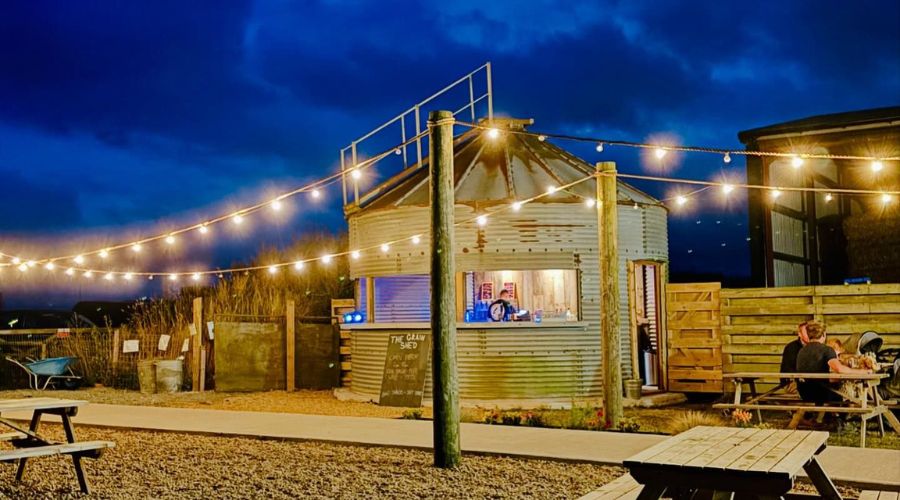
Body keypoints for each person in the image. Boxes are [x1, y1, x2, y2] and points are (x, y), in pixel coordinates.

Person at [796, 321, 871, 404]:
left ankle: (837, 415)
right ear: (824, 334)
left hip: (804, 394)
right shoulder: (826, 350)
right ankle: (849, 414)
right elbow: (840, 369)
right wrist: (862, 372)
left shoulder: (801, 351)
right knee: (849, 390)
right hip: (822, 394)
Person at [779, 321, 809, 389]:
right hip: (794, 381)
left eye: (809, 332)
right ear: (799, 334)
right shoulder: (791, 347)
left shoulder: (816, 346)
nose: (809, 334)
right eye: (806, 332)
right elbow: (787, 368)